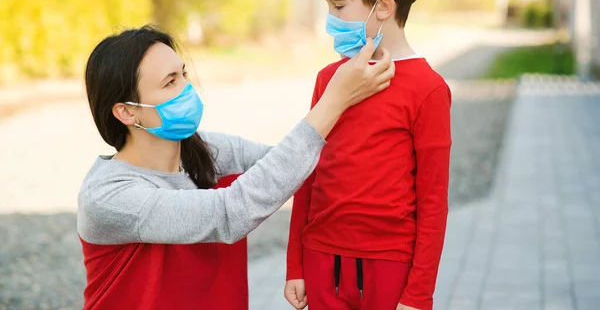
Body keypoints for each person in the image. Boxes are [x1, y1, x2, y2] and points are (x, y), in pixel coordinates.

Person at [77, 25, 394, 309]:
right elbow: (228, 213)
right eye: (170, 83)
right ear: (127, 113)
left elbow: (294, 165)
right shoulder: (109, 196)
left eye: (183, 74)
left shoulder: (207, 151)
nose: (187, 89)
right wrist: (333, 100)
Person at [284, 0, 452, 310]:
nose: (330, 19)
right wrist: (295, 263)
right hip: (321, 259)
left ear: (384, 7)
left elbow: (433, 200)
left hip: (390, 265)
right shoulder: (330, 80)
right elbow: (306, 173)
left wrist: (419, 293)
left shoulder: (428, 89)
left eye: (339, 6)